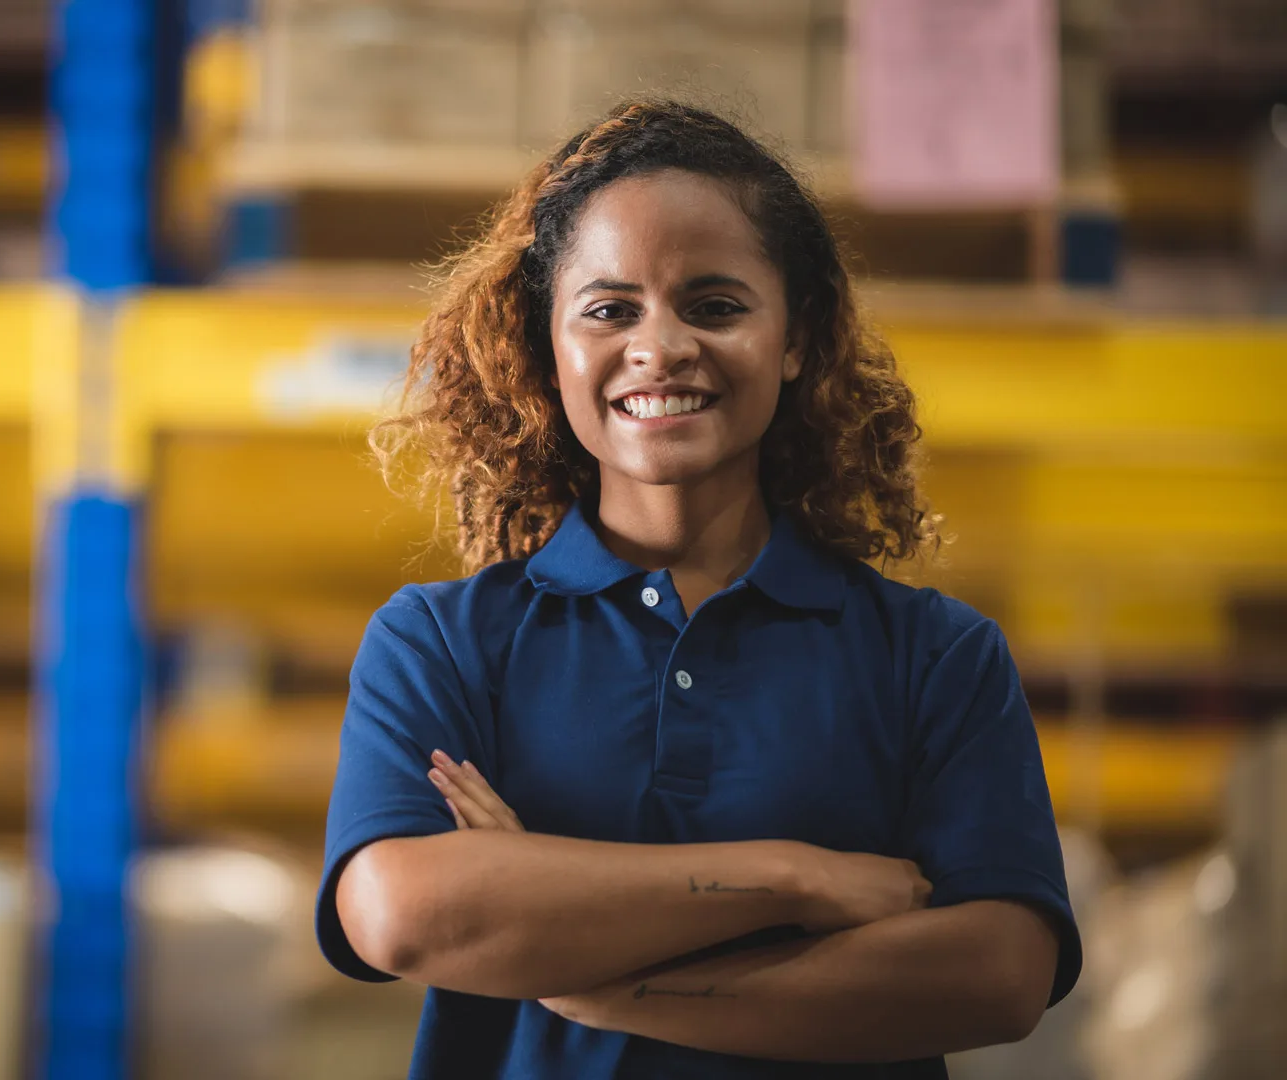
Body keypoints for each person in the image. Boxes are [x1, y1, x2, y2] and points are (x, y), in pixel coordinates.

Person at [317, 99, 1080, 1078]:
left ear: (796, 338)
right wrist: (796, 877)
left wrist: (584, 975)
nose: (662, 345)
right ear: (551, 350)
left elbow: (998, 974)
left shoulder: (935, 656)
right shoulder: (444, 643)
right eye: (609, 309)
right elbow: (402, 913)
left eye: (715, 305)